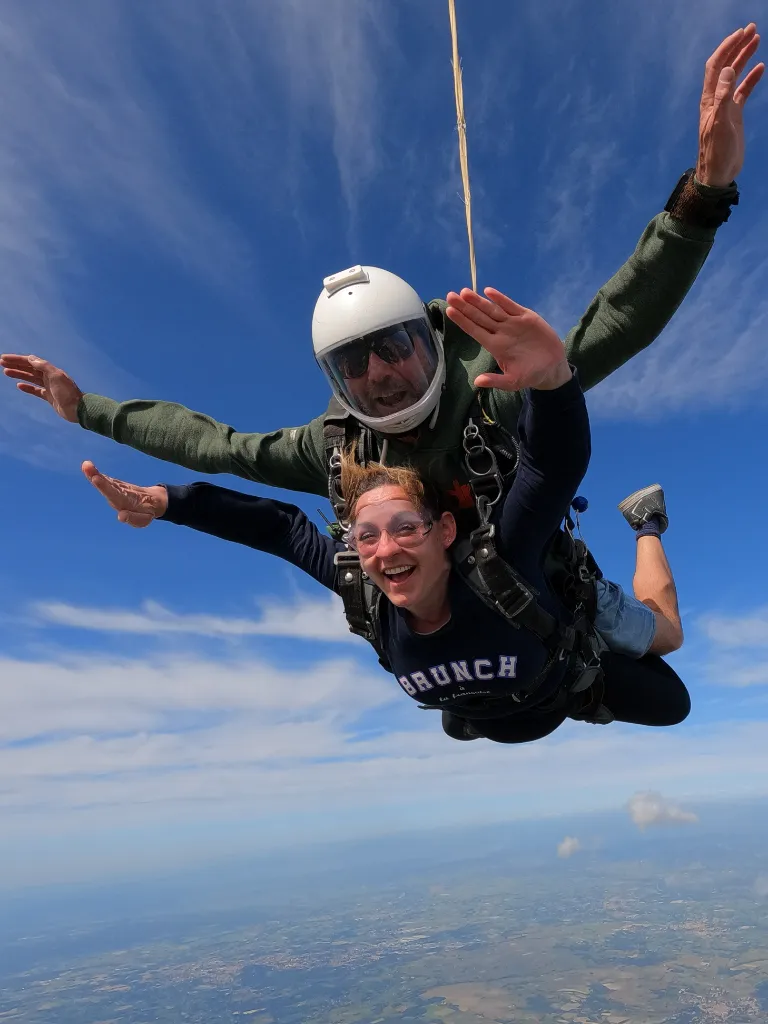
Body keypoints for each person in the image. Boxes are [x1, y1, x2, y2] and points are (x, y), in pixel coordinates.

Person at [1, 27, 763, 520]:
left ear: (429, 339)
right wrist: (86, 409)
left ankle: (645, 531)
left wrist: (702, 195)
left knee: (652, 680)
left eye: (392, 344)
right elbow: (213, 443)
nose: (379, 373)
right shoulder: (334, 449)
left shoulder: (488, 391)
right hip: (429, 605)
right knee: (468, 715)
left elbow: (616, 326)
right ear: (334, 382)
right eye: (351, 363)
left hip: (527, 580)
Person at [81, 288, 688, 744]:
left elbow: (554, 465)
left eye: (405, 529)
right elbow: (271, 520)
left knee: (669, 671)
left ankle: (646, 525)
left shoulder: (504, 561)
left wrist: (552, 382)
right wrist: (162, 500)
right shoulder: (362, 579)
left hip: (559, 660)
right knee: (460, 723)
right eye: (365, 535)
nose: (384, 550)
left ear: (445, 531)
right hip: (491, 702)